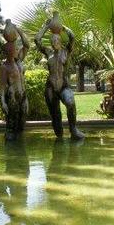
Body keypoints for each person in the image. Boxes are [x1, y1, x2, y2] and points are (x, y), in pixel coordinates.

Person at [35, 12, 84, 140]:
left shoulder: (66, 51)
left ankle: (73, 130)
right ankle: (59, 136)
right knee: (55, 115)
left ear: (60, 41)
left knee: (70, 102)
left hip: (63, 85)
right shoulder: (48, 52)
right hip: (50, 87)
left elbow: (72, 37)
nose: (54, 42)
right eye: (52, 40)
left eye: (56, 40)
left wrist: (62, 28)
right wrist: (45, 27)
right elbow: (37, 40)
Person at [0, 20, 29, 140]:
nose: (18, 50)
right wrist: (3, 102)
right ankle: (10, 150)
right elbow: (1, 87)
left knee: (22, 122)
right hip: (12, 97)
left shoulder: (19, 62)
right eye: (15, 49)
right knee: (11, 125)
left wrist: (18, 30)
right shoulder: (4, 67)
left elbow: (27, 45)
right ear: (9, 52)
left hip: (23, 95)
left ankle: (20, 150)